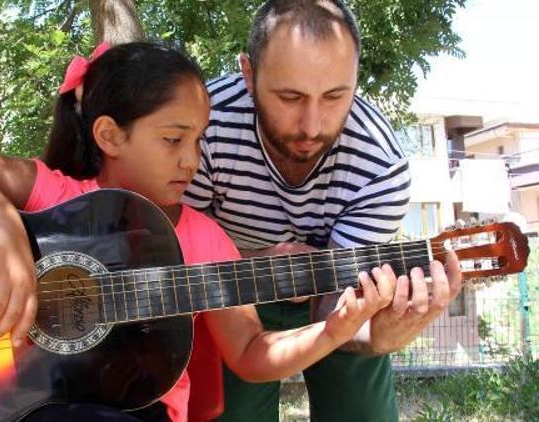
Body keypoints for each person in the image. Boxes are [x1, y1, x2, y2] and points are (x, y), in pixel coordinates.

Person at [0, 42, 402, 421]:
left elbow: (251, 354)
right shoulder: (55, 199)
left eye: (198, 140)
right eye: (173, 139)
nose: (191, 160)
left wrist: (331, 330)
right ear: (110, 136)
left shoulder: (204, 239)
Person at [182, 1, 464, 421]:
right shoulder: (202, 126)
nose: (312, 126)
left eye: (335, 95)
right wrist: (257, 269)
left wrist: (376, 335)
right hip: (227, 294)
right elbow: (178, 249)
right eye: (290, 96)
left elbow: (339, 306)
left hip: (338, 290)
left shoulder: (380, 163)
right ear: (248, 74)